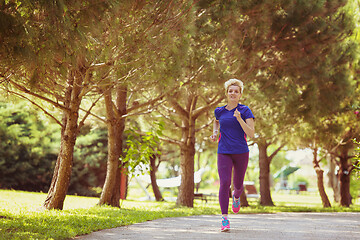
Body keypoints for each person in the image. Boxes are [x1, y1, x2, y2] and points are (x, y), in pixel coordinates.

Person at [210, 78, 255, 232]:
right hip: (223, 151)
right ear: (227, 93)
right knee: (224, 183)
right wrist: (215, 132)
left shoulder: (245, 110)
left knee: (238, 185)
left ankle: (236, 197)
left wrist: (239, 119)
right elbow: (216, 121)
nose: (233, 93)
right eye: (230, 91)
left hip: (241, 152)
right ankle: (224, 219)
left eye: (236, 91)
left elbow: (251, 133)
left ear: (240, 94)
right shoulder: (219, 111)